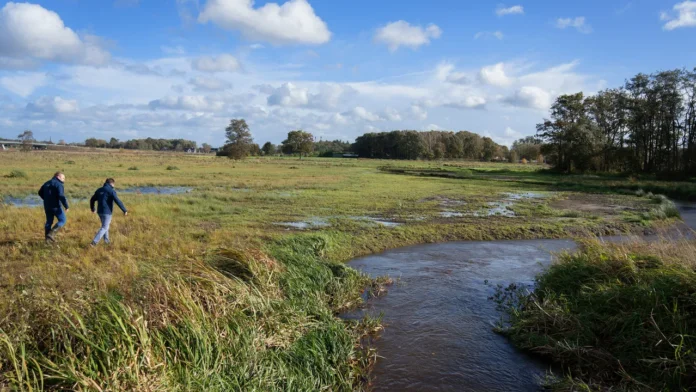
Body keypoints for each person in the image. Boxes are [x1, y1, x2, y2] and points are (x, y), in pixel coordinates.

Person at [90, 178, 128, 246]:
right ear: (112, 184)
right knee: (104, 227)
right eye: (114, 184)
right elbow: (117, 201)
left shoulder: (99, 190)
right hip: (107, 212)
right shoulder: (111, 191)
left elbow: (92, 199)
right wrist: (124, 210)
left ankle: (106, 242)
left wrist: (93, 209)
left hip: (100, 211)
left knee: (105, 226)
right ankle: (94, 242)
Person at [39, 172, 69, 242]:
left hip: (47, 205)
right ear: (58, 177)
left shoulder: (46, 183)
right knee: (62, 220)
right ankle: (51, 234)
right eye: (63, 178)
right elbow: (61, 195)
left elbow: (40, 192)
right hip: (56, 206)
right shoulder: (59, 184)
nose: (64, 180)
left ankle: (47, 240)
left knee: (49, 222)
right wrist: (66, 206)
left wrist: (46, 199)